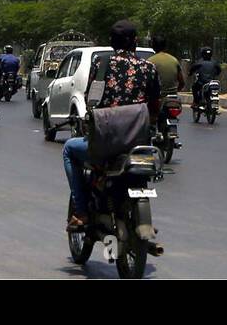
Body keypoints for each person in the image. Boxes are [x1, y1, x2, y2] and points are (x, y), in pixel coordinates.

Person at [63, 20, 160, 231]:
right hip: (138, 144)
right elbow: (154, 106)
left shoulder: (101, 63)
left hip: (106, 143)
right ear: (135, 42)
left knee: (69, 148)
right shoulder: (149, 67)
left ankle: (80, 212)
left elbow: (92, 99)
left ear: (112, 43)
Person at [149, 35, 186, 99]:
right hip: (172, 97)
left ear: (153, 46)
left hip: (156, 97)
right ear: (165, 46)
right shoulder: (174, 60)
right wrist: (175, 91)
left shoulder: (149, 61)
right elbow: (182, 83)